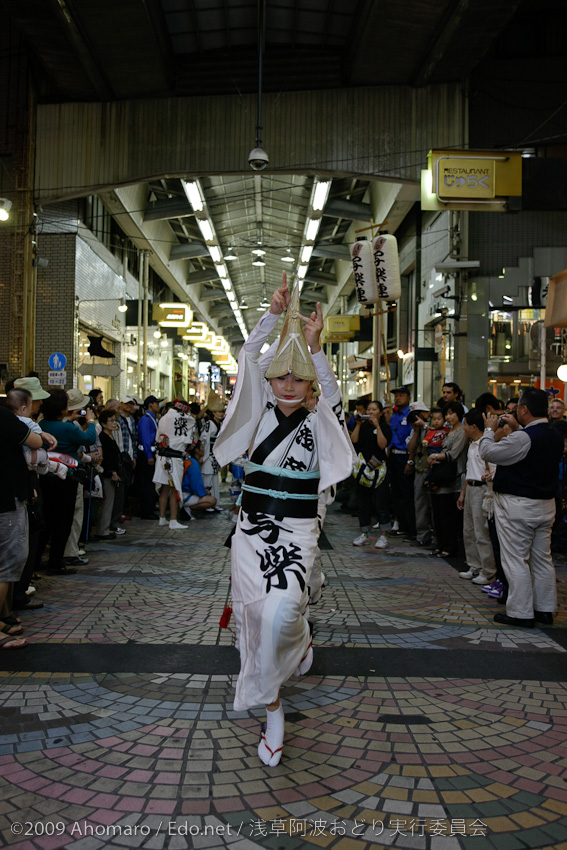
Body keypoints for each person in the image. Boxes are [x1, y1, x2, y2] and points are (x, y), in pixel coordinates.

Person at [213, 279, 353, 768]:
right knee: (254, 620)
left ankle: (298, 644)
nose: (288, 385)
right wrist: (272, 317)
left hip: (297, 532)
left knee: (282, 615)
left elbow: (332, 397)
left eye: (299, 378)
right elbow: (249, 359)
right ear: (270, 382)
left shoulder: (322, 422)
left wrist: (316, 350)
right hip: (252, 532)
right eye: (280, 378)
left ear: (310, 383)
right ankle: (273, 711)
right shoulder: (254, 416)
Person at [479, 388, 564, 627]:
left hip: (518, 504)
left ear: (524, 409)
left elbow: (487, 451)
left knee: (515, 559)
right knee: (541, 559)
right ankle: (545, 609)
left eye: (518, 408)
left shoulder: (523, 437)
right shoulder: (554, 434)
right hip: (545, 505)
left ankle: (520, 612)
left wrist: (488, 429)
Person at [0, 402, 56, 648]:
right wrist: (38, 432)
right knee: (8, 562)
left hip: (9, 495)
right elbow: (34, 442)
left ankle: (3, 618)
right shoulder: (4, 417)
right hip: (5, 499)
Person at [38, 389, 97, 575]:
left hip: (45, 476)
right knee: (64, 522)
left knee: (47, 521)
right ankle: (55, 563)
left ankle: (37, 561)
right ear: (63, 408)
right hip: (66, 478)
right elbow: (89, 438)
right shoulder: (66, 428)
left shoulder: (41, 424)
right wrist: (91, 422)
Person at [457, 409, 496, 585]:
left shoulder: (486, 444)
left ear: (473, 427)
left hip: (482, 490)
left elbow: (492, 470)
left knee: (481, 532)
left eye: (465, 425)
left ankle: (487, 571)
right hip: (471, 488)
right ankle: (474, 565)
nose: (463, 428)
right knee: (469, 531)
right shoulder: (472, 444)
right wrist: (463, 493)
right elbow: (469, 470)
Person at [428, 401, 467, 558]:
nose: (449, 417)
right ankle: (440, 544)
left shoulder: (462, 432)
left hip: (453, 477)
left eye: (452, 413)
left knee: (447, 515)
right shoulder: (447, 432)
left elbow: (454, 454)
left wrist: (435, 456)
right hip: (440, 476)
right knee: (436, 514)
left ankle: (449, 547)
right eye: (447, 414)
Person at [350, 401, 392, 549]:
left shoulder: (385, 428)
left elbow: (382, 445)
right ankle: (364, 534)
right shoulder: (363, 426)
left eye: (374, 409)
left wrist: (377, 426)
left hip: (379, 470)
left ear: (380, 413)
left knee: (381, 503)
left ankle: (384, 536)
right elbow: (354, 440)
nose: (371, 412)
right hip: (363, 470)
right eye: (369, 409)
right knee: (363, 503)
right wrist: (359, 424)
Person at [153, 399, 196, 529]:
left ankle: (162, 518)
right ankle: (173, 520)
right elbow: (191, 432)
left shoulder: (164, 418)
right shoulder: (184, 419)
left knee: (164, 490)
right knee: (175, 489)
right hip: (174, 458)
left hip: (161, 457)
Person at [388, 385, 415, 538]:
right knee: (396, 493)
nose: (398, 398)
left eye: (401, 395)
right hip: (394, 455)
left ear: (408, 397)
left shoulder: (411, 414)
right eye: (396, 395)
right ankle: (400, 524)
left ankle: (410, 528)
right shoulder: (394, 415)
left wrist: (410, 461)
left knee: (406, 493)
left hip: (405, 455)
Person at [406, 402, 433, 547]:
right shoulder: (415, 429)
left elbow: (438, 436)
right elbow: (410, 448)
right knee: (420, 504)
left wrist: (424, 425)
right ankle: (422, 536)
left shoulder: (434, 425)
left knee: (433, 507)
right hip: (419, 470)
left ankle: (435, 538)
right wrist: (416, 431)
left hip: (433, 471)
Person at [95, 409, 123, 539]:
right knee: (107, 503)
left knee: (110, 502)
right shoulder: (103, 438)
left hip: (112, 472)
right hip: (107, 474)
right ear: (103, 423)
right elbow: (108, 458)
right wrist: (112, 472)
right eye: (111, 421)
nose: (114, 423)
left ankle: (105, 529)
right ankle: (102, 530)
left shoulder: (110, 436)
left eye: (115, 420)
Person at [199, 391, 225, 510]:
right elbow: (204, 440)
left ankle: (214, 503)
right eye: (219, 411)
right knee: (207, 480)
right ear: (213, 412)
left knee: (214, 480)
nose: (221, 414)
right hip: (208, 455)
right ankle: (207, 502)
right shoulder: (209, 424)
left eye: (222, 411)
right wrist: (203, 456)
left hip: (214, 456)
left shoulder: (219, 424)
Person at [136, 395, 160, 519]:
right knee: (147, 483)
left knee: (151, 482)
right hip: (146, 454)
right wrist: (149, 456)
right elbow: (145, 439)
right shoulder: (146, 420)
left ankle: (149, 508)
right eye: (156, 403)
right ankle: (146, 510)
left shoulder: (153, 418)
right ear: (150, 405)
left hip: (151, 452)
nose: (158, 406)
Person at [181, 441, 217, 512]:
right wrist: (205, 492)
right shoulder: (193, 464)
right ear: (197, 450)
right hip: (185, 496)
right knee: (212, 500)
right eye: (202, 447)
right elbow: (195, 484)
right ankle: (187, 509)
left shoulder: (191, 461)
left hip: (185, 493)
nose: (204, 449)